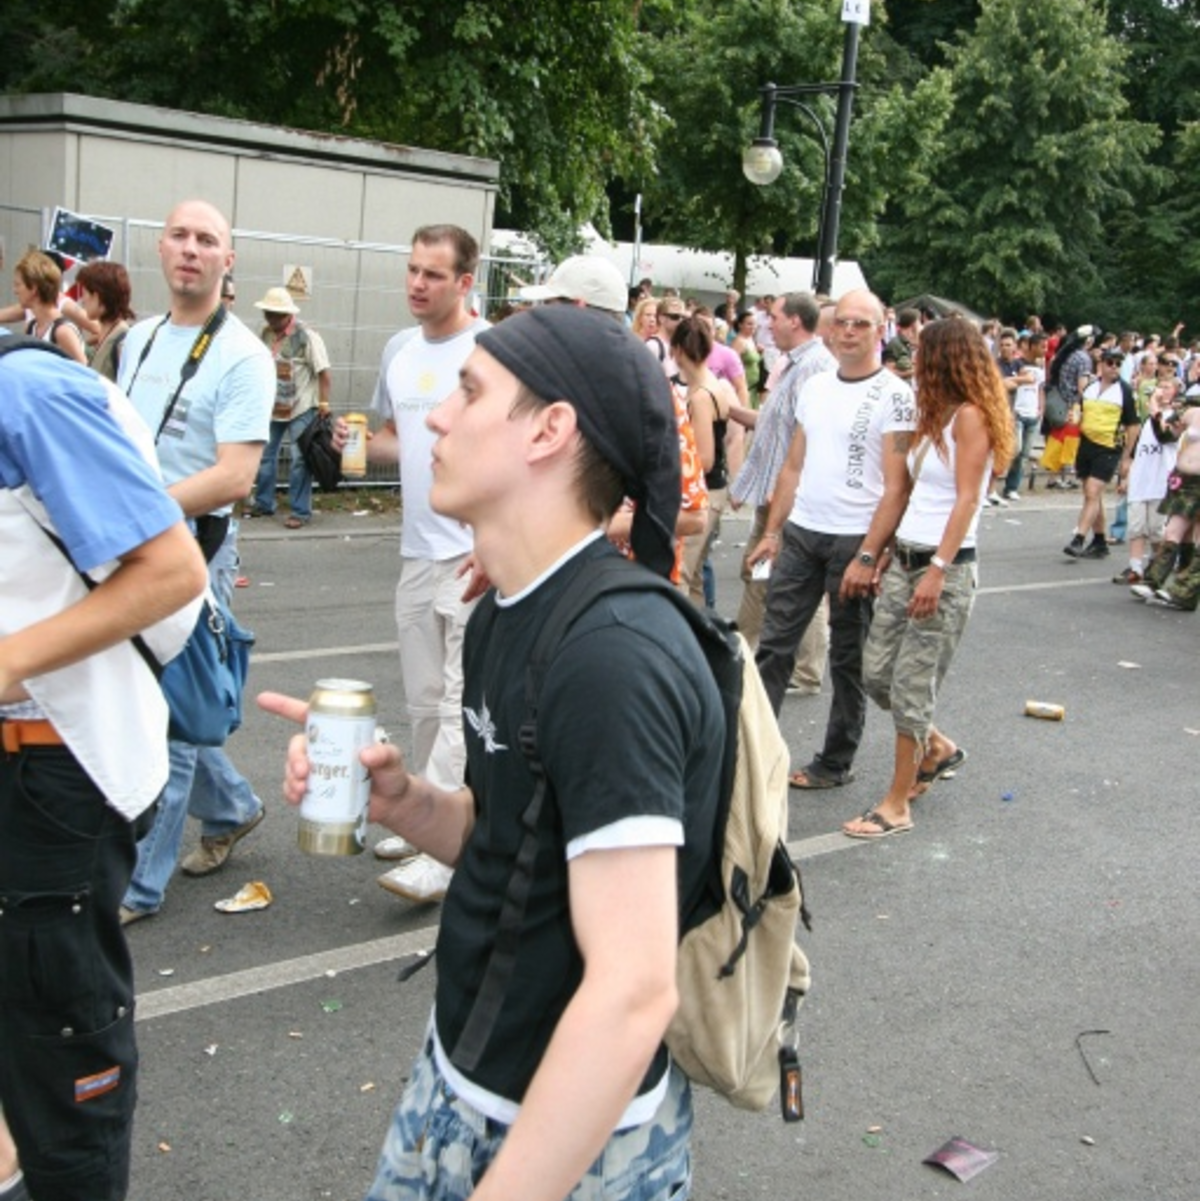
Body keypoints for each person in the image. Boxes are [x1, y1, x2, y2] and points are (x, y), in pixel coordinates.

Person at [261, 304, 720, 1200]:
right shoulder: (506, 605)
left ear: (549, 431)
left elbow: (633, 992)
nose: (434, 415)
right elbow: (511, 832)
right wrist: (404, 802)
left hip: (574, 1137)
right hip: (461, 1078)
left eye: (469, 391)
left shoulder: (613, 655)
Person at [0, 335, 208, 1200]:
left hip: (54, 774)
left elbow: (171, 571)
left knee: (64, 1063)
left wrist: (5, 659)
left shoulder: (25, 392)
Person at [117, 199, 275, 924]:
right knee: (161, 698)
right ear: (159, 248)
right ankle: (235, 805)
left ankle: (138, 885)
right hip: (127, 545)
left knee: (173, 714)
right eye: (179, 234)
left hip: (191, 552)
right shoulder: (138, 339)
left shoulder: (243, 354)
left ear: (227, 259)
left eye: (206, 239)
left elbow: (236, 476)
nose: (191, 249)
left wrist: (142, 508)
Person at [358, 224, 489, 903]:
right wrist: (344, 445)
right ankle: (425, 817)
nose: (417, 284)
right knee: (423, 701)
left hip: (472, 552)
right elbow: (390, 438)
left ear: (466, 281)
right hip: (416, 550)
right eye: (412, 270)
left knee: (462, 700)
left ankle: (444, 856)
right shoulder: (398, 350)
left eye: (433, 274)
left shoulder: (490, 351)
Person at [842, 319, 1013, 839]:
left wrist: (937, 570)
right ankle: (936, 746)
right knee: (876, 673)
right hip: (908, 560)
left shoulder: (971, 417)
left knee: (911, 687)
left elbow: (966, 499)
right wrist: (889, 552)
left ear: (943, 359)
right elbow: (917, 494)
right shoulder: (934, 416)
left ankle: (896, 804)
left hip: (947, 567)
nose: (912, 361)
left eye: (920, 354)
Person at [748, 289, 915, 790]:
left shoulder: (895, 395)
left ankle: (835, 761)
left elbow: (896, 486)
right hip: (802, 533)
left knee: (848, 658)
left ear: (881, 329)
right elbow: (793, 466)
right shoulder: (816, 387)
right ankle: (754, 754)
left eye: (860, 324)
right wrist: (773, 531)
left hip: (853, 540)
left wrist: (870, 553)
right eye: (841, 322)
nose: (848, 331)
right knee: (773, 646)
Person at [728, 292, 835, 693]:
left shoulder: (814, 367)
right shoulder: (793, 363)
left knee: (795, 586)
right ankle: (744, 655)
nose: (766, 322)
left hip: (788, 503)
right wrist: (747, 485)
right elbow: (773, 432)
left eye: (773, 316)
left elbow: (806, 442)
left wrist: (782, 492)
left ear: (795, 321)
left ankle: (805, 671)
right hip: (773, 498)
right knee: (758, 576)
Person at [246, 286, 332, 528]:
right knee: (265, 455)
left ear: (288, 314)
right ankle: (264, 503)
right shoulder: (266, 334)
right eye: (268, 314)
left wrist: (323, 404)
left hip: (302, 407)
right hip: (273, 407)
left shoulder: (307, 337)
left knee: (299, 459)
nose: (272, 319)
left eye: (276, 315)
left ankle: (300, 511)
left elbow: (324, 373)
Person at [670, 316, 735, 605]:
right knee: (694, 576)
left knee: (681, 574)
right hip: (714, 490)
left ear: (677, 350)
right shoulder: (714, 386)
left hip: (704, 490)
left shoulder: (700, 396)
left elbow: (704, 458)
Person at [1063, 347, 1138, 560]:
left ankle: (1079, 537)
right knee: (1092, 494)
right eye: (1110, 362)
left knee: (1092, 492)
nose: (1114, 367)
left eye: (1118, 363)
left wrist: (1127, 457)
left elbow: (1133, 425)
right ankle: (1099, 541)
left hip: (1109, 447)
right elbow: (1080, 411)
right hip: (1087, 445)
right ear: (1101, 364)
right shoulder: (1090, 387)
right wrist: (1074, 418)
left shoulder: (1124, 391)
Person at [11, 249, 88, 364]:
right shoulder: (32, 327)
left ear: (33, 289)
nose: (15, 291)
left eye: (18, 285)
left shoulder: (63, 331)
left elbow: (83, 372)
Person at [76, 259, 136, 382]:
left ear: (98, 296)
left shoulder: (122, 342)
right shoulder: (104, 337)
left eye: (85, 293)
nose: (83, 300)